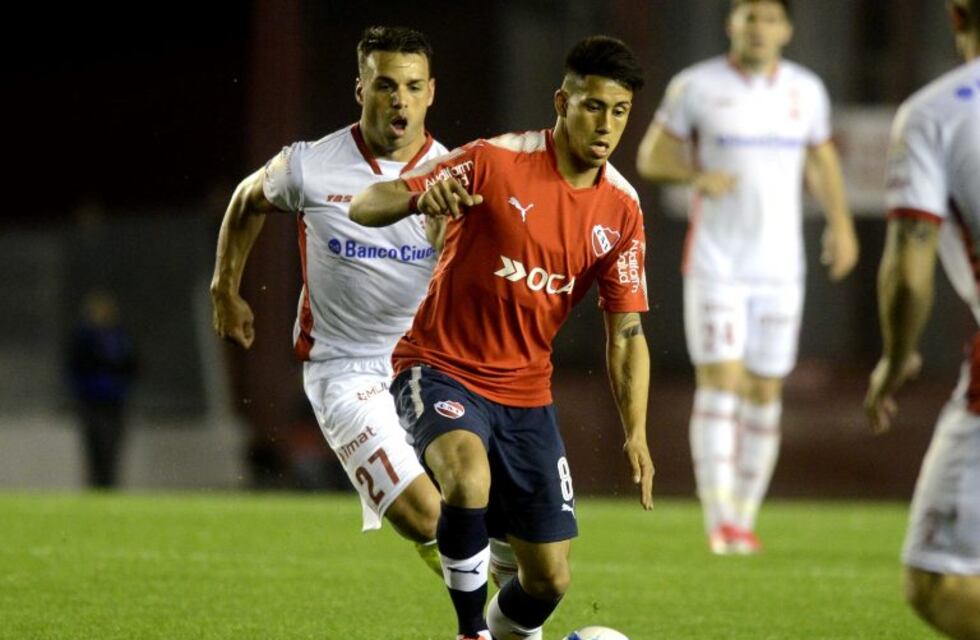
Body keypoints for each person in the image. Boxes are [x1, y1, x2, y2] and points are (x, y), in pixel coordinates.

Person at [350, 35, 654, 640]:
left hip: (526, 397)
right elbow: (367, 202)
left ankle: (503, 630)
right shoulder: (494, 160)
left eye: (619, 111)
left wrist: (637, 431)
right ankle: (470, 632)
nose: (606, 124)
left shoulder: (621, 209)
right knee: (467, 478)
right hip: (438, 366)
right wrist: (420, 197)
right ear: (561, 102)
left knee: (548, 580)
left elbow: (627, 331)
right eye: (593, 106)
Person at [210, 25, 451, 576]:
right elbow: (247, 198)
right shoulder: (309, 166)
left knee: (496, 525)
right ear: (360, 88)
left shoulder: (458, 172)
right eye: (386, 85)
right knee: (428, 518)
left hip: (429, 367)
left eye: (413, 87)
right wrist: (225, 287)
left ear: (431, 92)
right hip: (345, 369)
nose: (400, 100)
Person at [635, 0, 858, 554]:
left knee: (764, 387)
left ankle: (744, 516)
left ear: (786, 29)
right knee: (721, 382)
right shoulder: (697, 86)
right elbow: (650, 157)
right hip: (717, 263)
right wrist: (695, 175)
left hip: (781, 266)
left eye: (768, 18)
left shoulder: (805, 90)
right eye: (747, 17)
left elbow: (823, 160)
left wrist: (842, 225)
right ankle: (720, 520)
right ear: (731, 25)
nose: (758, 28)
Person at [864, 1, 980, 637]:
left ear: (956, 15)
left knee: (939, 579)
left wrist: (893, 358)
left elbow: (910, 271)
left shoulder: (937, 112)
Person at [66, 289, 138, 488]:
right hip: (91, 400)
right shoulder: (84, 337)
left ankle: (109, 483)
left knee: (112, 445)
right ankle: (96, 484)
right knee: (94, 444)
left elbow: (133, 365)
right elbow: (75, 365)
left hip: (115, 400)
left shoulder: (120, 337)